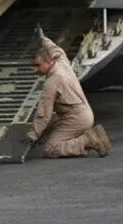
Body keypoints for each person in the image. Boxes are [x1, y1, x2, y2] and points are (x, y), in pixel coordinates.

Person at [25, 29, 111, 157]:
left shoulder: (52, 82)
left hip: (76, 119)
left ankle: (89, 139)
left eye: (38, 65)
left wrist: (33, 135)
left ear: (48, 62)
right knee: (45, 134)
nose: (35, 69)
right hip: (83, 113)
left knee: (51, 148)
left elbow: (44, 113)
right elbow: (56, 50)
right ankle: (83, 136)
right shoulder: (61, 63)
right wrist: (43, 39)